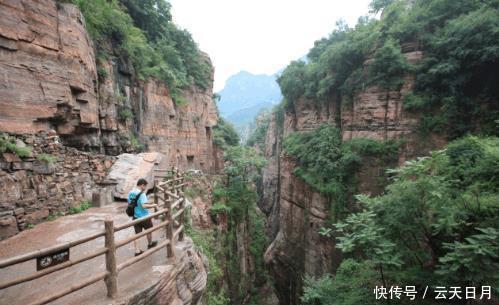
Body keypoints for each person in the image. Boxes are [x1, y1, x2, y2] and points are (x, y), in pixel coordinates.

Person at [128, 178, 158, 256]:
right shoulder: (142, 194)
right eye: (145, 186)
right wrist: (153, 205)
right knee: (149, 230)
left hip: (135, 216)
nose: (145, 188)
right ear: (142, 185)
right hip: (144, 216)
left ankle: (137, 250)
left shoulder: (131, 193)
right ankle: (150, 243)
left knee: (137, 234)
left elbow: (131, 203)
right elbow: (144, 206)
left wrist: (147, 203)